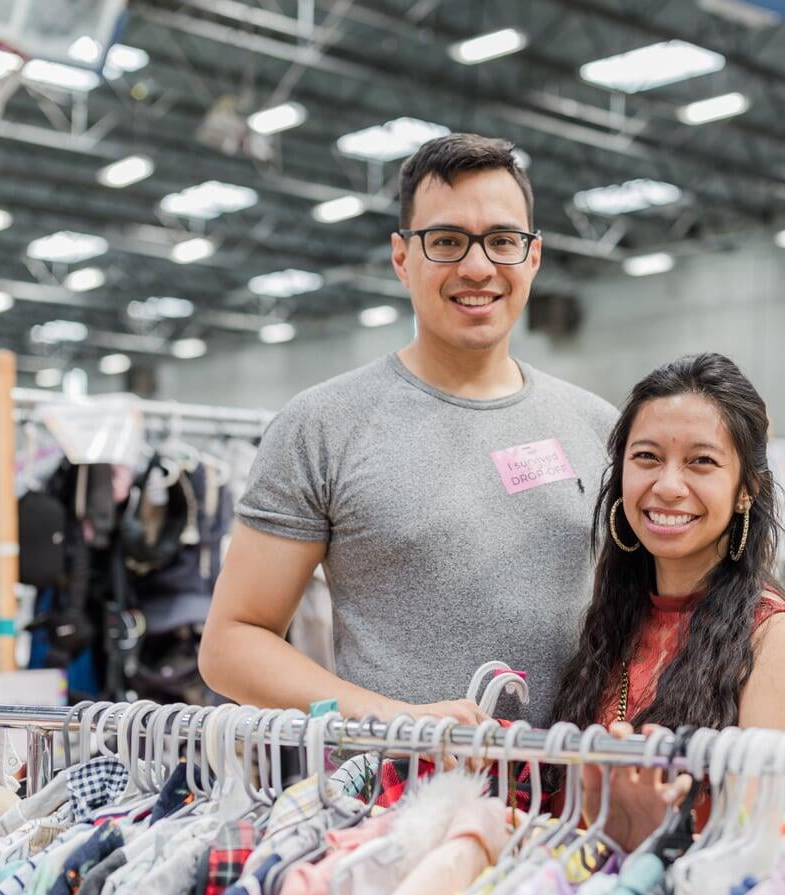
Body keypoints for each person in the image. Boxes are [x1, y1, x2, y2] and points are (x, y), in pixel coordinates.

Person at [200, 133, 617, 727]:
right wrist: (393, 719)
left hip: (574, 804)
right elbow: (231, 645)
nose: (478, 267)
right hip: (392, 805)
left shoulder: (600, 428)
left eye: (502, 241)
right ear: (402, 258)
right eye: (447, 241)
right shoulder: (322, 427)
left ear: (534, 257)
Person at [546, 353, 785, 846]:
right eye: (648, 457)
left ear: (746, 490)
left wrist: (649, 837)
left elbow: (752, 846)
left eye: (701, 462)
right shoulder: (612, 613)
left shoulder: (775, 639)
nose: (668, 486)